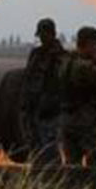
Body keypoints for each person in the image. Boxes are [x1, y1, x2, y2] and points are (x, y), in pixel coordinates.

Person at [59, 26, 96, 168]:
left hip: (66, 119)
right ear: (89, 44)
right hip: (85, 119)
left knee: (72, 163)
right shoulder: (86, 67)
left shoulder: (65, 62)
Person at [21, 18, 67, 167]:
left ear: (52, 34)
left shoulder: (61, 56)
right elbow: (28, 78)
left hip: (50, 109)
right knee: (35, 148)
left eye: (44, 34)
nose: (41, 38)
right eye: (40, 35)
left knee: (49, 147)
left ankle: (55, 176)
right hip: (34, 108)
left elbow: (62, 83)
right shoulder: (36, 53)